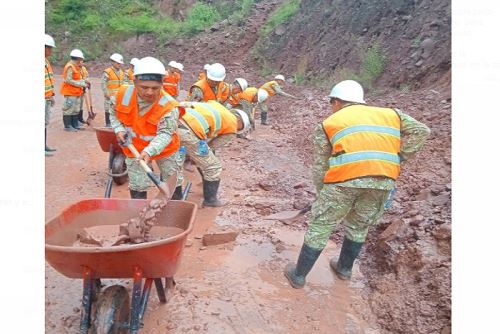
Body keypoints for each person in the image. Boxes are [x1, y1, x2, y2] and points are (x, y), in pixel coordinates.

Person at [284, 80, 431, 289]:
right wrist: (400, 157)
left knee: (321, 225)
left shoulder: (329, 123)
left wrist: (321, 194)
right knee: (359, 225)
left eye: (331, 103)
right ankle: (344, 269)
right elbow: (422, 131)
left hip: (343, 180)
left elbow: (319, 167)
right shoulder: (392, 114)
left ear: (336, 101)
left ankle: (298, 276)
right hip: (383, 180)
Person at [109, 57, 184, 199]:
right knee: (137, 184)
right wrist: (119, 129)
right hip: (135, 148)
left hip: (166, 149)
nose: (149, 92)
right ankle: (140, 214)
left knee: (172, 179)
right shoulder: (122, 94)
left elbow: (165, 134)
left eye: (155, 88)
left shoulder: (169, 105)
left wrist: (149, 151)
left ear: (162, 84)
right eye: (144, 87)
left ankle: (175, 209)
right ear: (135, 81)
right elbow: (113, 113)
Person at [178, 101, 250, 206]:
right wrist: (199, 158)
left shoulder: (217, 106)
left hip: (174, 121)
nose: (237, 130)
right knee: (213, 166)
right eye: (240, 128)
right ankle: (210, 201)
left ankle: (175, 197)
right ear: (239, 121)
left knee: (175, 164)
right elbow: (212, 146)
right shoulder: (232, 126)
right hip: (188, 131)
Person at [60, 49, 89, 132]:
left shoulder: (76, 67)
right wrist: (81, 84)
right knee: (69, 109)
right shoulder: (70, 66)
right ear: (77, 58)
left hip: (76, 92)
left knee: (75, 109)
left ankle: (74, 124)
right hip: (70, 92)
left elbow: (78, 78)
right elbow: (68, 80)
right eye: (80, 59)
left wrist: (84, 82)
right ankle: (68, 126)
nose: (81, 61)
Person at [102, 53, 126, 127]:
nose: (119, 65)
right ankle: (108, 123)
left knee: (118, 109)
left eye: (120, 63)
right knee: (108, 109)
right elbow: (103, 84)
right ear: (113, 62)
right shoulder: (107, 72)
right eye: (118, 63)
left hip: (119, 95)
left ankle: (116, 123)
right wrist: (106, 93)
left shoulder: (122, 72)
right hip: (110, 95)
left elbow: (124, 83)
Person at [44, 34, 57, 156]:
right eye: (49, 48)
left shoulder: (46, 61)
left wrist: (51, 95)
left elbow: (48, 80)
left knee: (44, 122)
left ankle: (44, 145)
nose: (51, 51)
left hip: (46, 97)